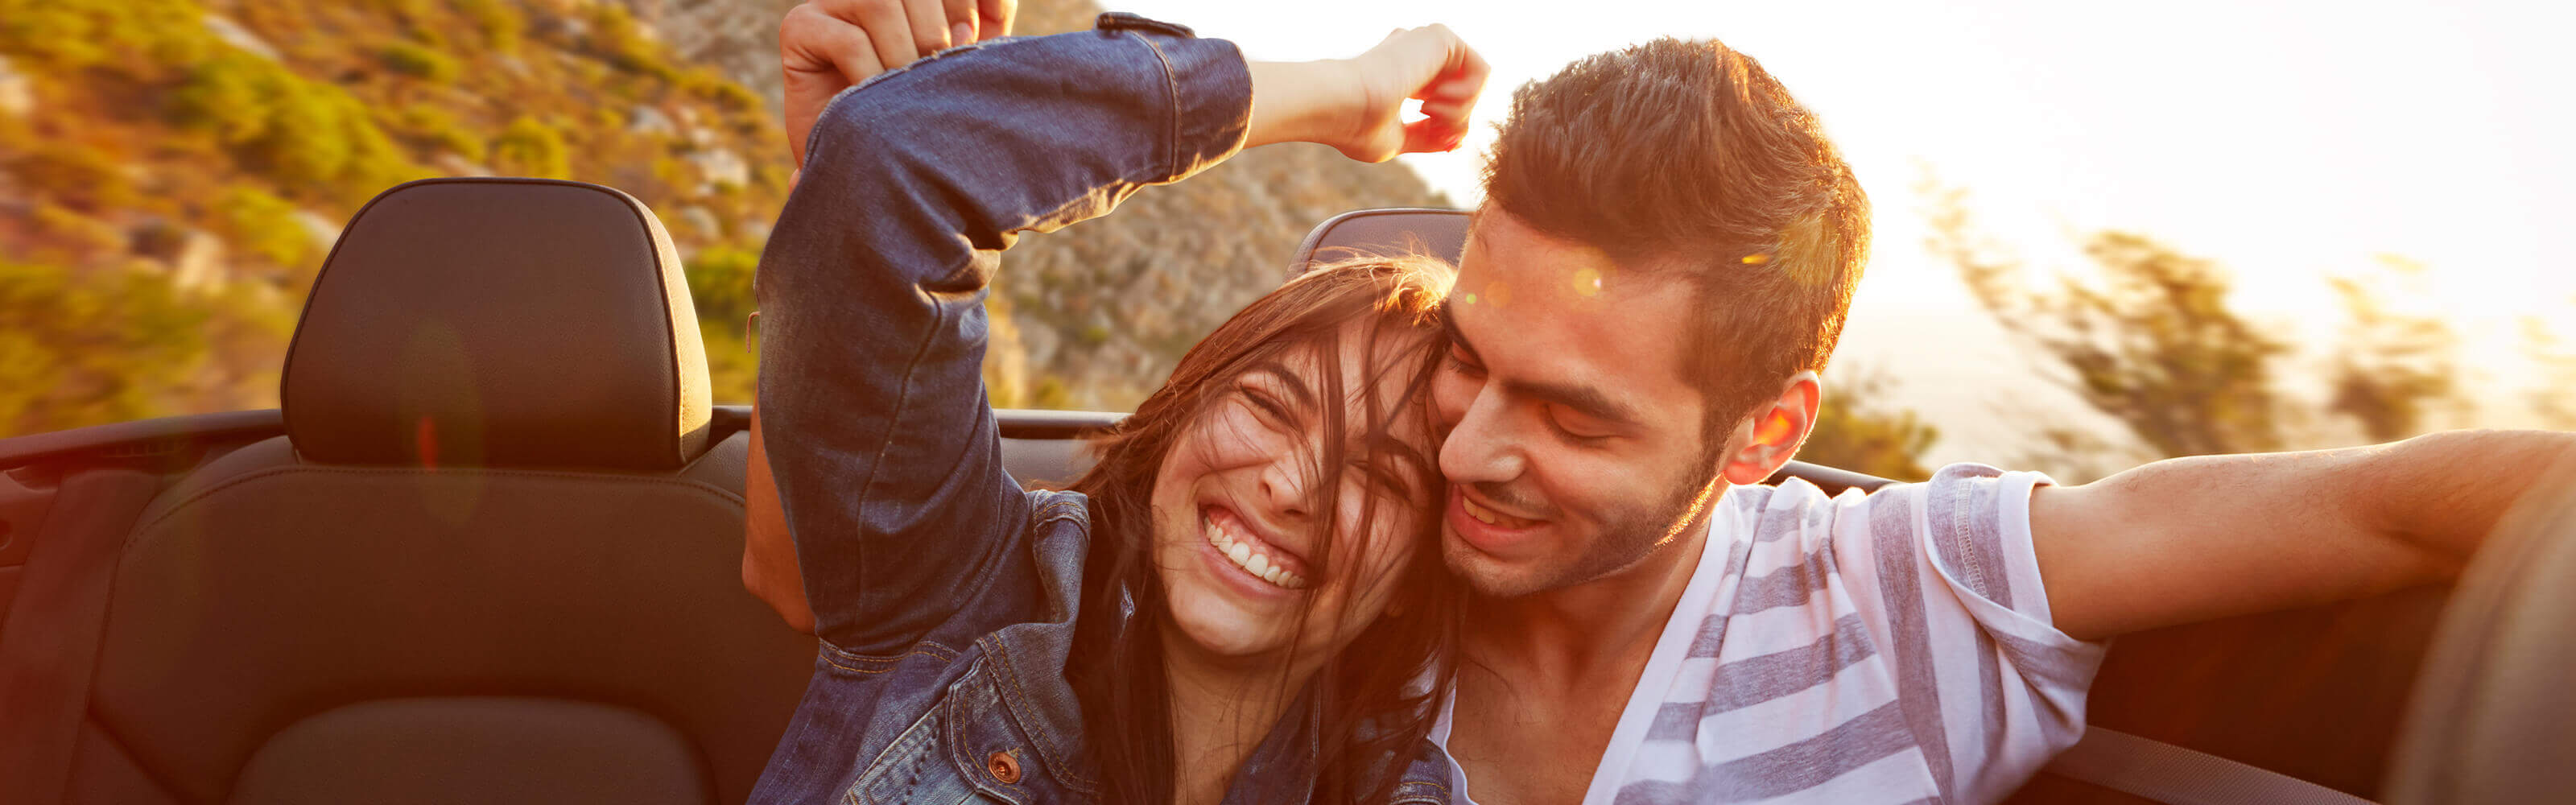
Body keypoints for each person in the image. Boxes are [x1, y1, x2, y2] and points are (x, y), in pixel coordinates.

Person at [1422, 37, 2576, 805]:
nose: (1461, 450)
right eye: (1465, 358)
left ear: (1764, 438)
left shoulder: (1900, 594)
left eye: (1575, 421)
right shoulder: (1338, 535)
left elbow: (2388, 507)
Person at [738, 5, 1492, 804]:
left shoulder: (1396, 790)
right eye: (1270, 406)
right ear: (1180, 414)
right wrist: (1346, 94)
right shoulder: (962, 597)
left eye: (1378, 478)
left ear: (1416, 570)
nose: (1288, 486)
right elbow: (891, 155)